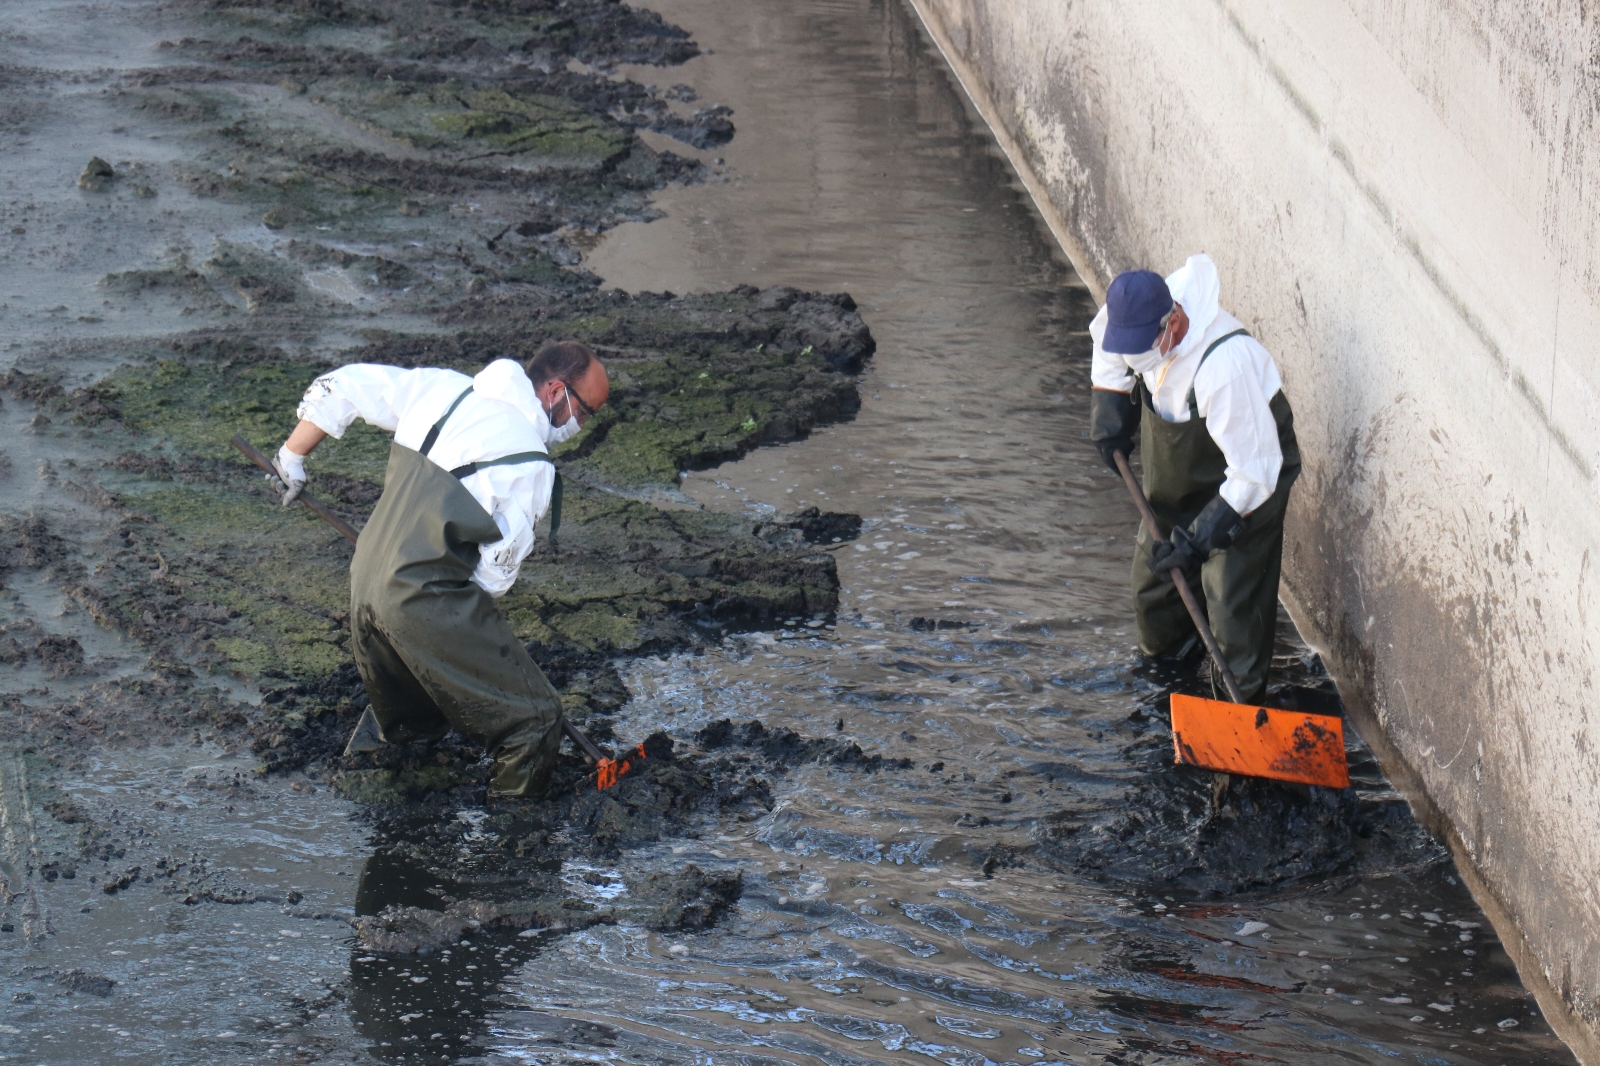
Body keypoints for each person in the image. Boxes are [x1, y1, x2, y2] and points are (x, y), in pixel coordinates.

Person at [268, 341, 610, 797]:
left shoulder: (444, 388)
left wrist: (291, 458)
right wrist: (464, 638)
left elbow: (345, 386)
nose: (580, 426)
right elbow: (494, 577)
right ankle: (514, 845)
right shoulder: (529, 463)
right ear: (553, 391)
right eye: (584, 412)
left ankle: (375, 806)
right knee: (536, 718)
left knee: (412, 720)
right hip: (420, 601)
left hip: (365, 583)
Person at [1088, 253, 1300, 704]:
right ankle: (1168, 689)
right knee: (1153, 587)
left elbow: (1255, 471)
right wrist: (1109, 410)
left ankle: (1238, 707)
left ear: (1172, 324)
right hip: (1183, 470)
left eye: (1140, 353)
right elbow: (1107, 349)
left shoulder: (1224, 367)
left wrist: (1199, 541)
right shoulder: (1133, 308)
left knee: (1229, 603)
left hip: (1251, 471)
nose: (1132, 362)